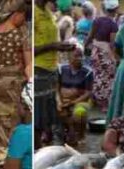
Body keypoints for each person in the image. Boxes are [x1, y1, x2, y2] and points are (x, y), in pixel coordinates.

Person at [0, 0, 31, 147]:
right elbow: (28, 65)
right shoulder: (20, 34)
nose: (24, 21)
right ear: (16, 14)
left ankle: (0, 159)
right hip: (14, 86)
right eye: (24, 17)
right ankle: (14, 157)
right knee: (15, 124)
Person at [34, 0, 75, 149]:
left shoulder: (48, 12)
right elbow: (27, 50)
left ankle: (41, 151)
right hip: (38, 68)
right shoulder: (33, 13)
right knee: (37, 118)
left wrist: (61, 47)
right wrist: (53, 46)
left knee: (46, 116)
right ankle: (36, 153)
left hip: (50, 68)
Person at [85, 0, 119, 112]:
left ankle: (93, 99)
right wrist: (116, 57)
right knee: (106, 78)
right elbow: (112, 43)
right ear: (115, 10)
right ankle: (103, 104)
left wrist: (84, 46)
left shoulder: (97, 20)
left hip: (95, 52)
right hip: (106, 53)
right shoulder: (113, 25)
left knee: (96, 75)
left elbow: (90, 36)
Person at [57, 47, 93, 145]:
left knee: (79, 112)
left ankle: (80, 135)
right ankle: (67, 133)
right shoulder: (61, 69)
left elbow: (88, 93)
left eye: (81, 56)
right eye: (76, 56)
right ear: (69, 57)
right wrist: (60, 101)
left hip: (81, 100)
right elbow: (57, 87)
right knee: (57, 109)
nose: (79, 58)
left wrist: (73, 102)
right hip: (63, 99)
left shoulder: (88, 71)